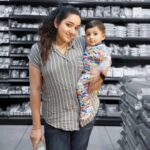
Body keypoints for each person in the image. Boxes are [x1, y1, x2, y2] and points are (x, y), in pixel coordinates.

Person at [28, 5, 107, 150]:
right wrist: (36, 127)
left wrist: (101, 74)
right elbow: (35, 89)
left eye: (77, 28)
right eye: (69, 25)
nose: (73, 32)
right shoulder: (38, 50)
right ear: (57, 23)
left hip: (84, 118)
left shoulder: (83, 43)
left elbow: (106, 56)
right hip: (56, 120)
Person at [77, 20, 111, 124]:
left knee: (79, 85)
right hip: (87, 74)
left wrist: (100, 73)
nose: (91, 37)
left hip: (92, 74)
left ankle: (87, 109)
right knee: (87, 91)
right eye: (88, 34)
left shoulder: (101, 48)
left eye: (95, 34)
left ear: (103, 36)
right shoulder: (89, 47)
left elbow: (107, 60)